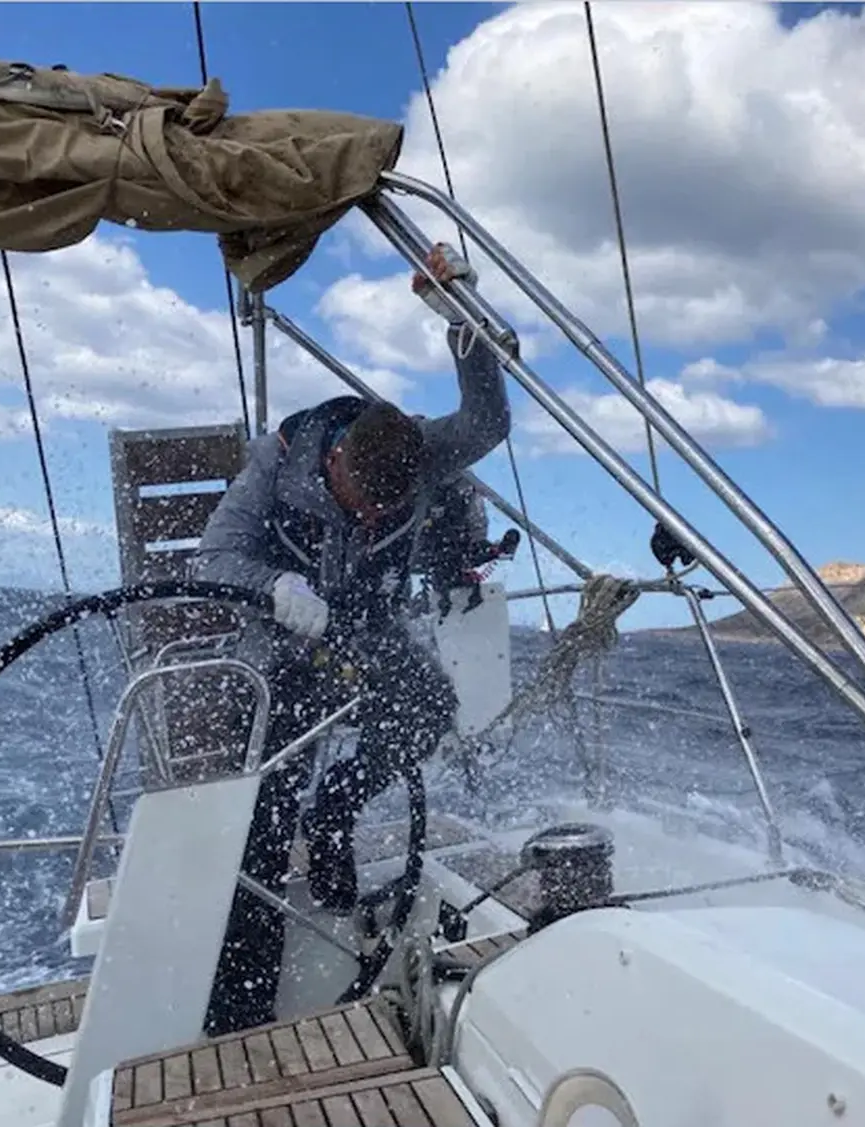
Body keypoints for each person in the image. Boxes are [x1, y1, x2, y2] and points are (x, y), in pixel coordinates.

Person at [189, 244, 512, 1036]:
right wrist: (275, 587)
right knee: (264, 816)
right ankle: (241, 1010)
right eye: (360, 504)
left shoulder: (422, 453)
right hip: (280, 653)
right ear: (335, 460)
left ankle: (333, 812)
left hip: (366, 640)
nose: (371, 520)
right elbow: (212, 557)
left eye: (385, 513)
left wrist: (462, 319)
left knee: (426, 705)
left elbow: (488, 421)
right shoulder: (277, 463)